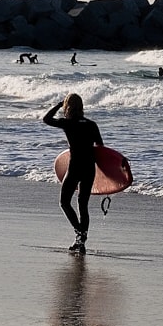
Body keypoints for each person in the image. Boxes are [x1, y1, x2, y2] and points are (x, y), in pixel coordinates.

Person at [44, 94, 104, 254]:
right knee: (83, 205)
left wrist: (58, 104)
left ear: (67, 107)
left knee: (64, 202)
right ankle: (81, 241)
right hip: (89, 168)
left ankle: (80, 234)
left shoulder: (67, 123)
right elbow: (101, 148)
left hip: (75, 167)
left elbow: (46, 119)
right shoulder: (92, 125)